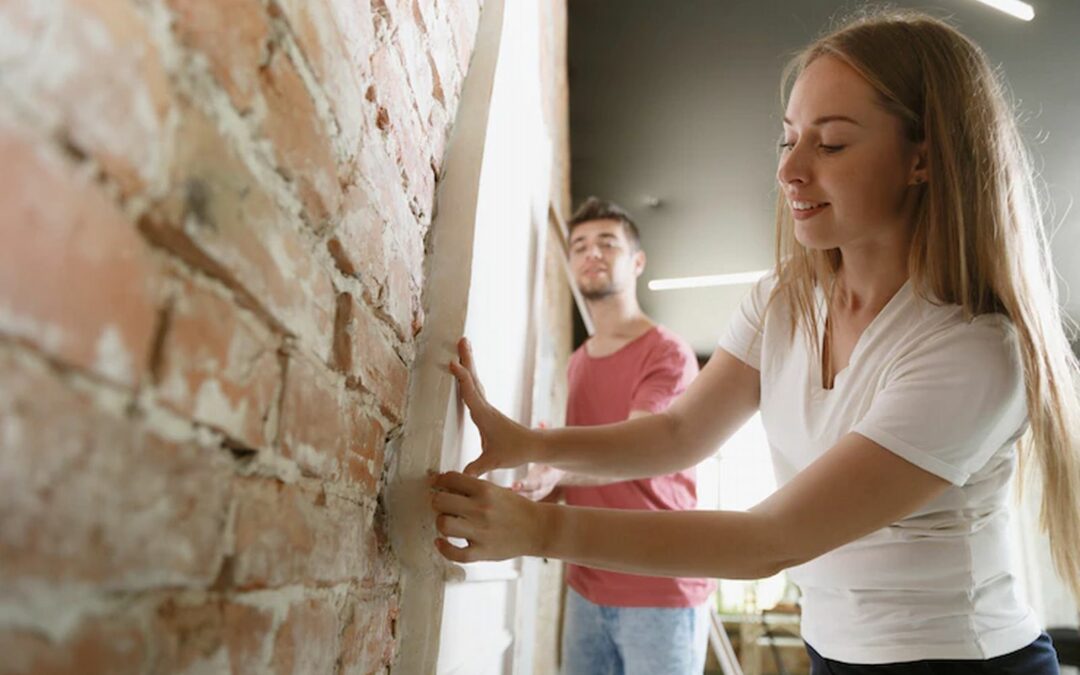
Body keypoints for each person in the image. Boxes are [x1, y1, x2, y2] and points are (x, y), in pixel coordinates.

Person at [431, 10, 1080, 674]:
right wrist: (531, 443)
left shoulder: (973, 350)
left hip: (961, 661)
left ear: (922, 158)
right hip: (831, 649)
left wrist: (540, 529)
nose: (790, 170)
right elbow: (678, 433)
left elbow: (772, 538)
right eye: (788, 139)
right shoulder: (783, 299)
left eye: (830, 145)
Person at [515, 197, 714, 675]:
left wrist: (554, 461)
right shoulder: (578, 361)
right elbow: (582, 465)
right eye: (580, 245)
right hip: (586, 583)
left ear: (638, 261)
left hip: (657, 586)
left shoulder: (666, 352)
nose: (592, 253)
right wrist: (545, 480)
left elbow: (637, 446)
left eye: (608, 243)